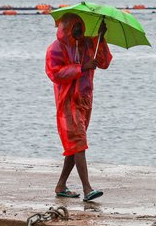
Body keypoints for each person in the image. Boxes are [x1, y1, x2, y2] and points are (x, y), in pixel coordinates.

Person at [45, 13, 112, 201]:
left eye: (79, 27)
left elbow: (104, 62)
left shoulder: (88, 44)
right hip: (67, 102)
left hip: (85, 101)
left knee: (75, 145)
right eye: (73, 27)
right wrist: (81, 67)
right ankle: (87, 188)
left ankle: (61, 185)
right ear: (65, 28)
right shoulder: (55, 49)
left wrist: (101, 38)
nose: (77, 31)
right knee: (78, 142)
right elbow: (55, 73)